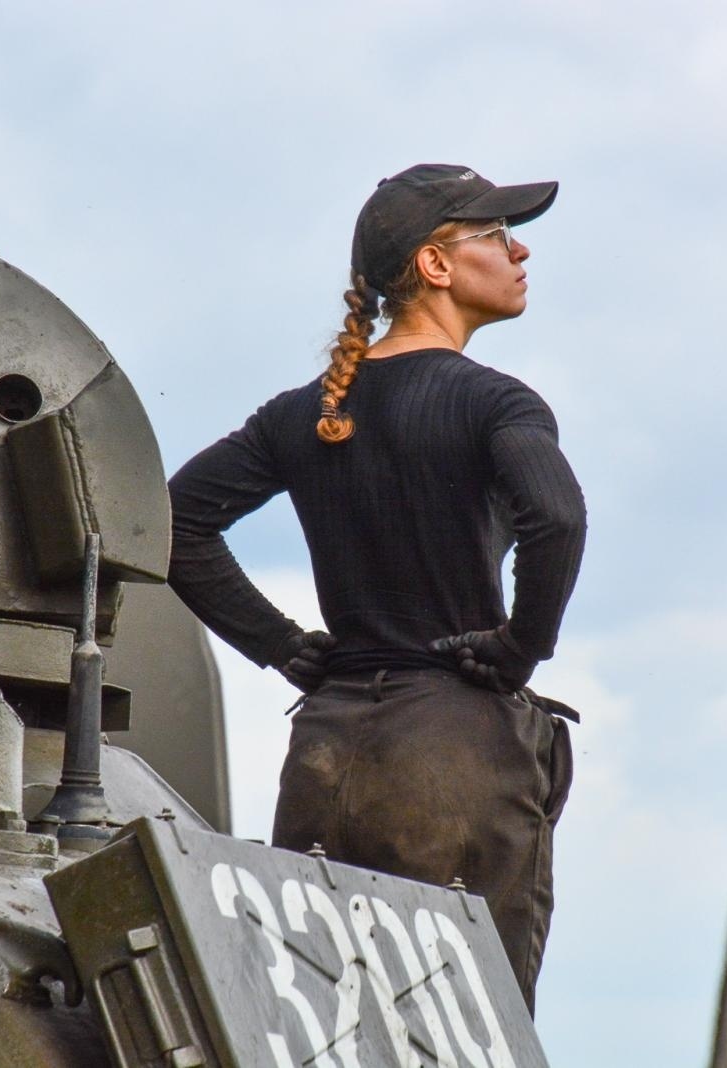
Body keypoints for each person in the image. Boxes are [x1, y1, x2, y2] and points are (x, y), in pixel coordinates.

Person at [166, 163, 586, 1011]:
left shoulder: (298, 415)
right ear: (436, 265)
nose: (520, 249)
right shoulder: (499, 405)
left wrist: (283, 648)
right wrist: (516, 651)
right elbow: (558, 520)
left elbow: (173, 520)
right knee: (468, 1024)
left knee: (323, 1029)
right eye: (498, 236)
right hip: (458, 760)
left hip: (327, 757)